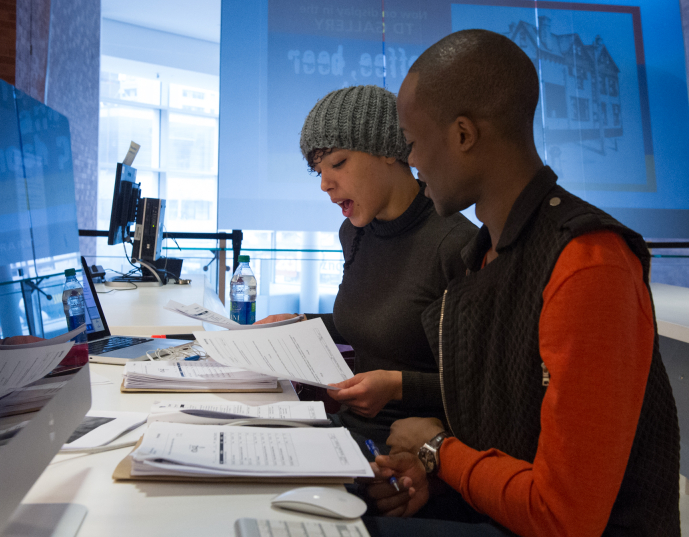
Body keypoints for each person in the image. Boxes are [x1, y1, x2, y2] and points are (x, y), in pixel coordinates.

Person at [362, 29, 680, 536]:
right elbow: (510, 440)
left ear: (463, 135)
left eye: (414, 144)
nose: (414, 163)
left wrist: (438, 451)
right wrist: (434, 478)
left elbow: (564, 517)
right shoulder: (487, 254)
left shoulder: (588, 264)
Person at [258, 85, 477, 451]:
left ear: (390, 152)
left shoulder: (454, 243)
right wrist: (297, 323)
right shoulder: (355, 232)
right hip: (349, 431)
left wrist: (397, 386)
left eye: (338, 163)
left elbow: (480, 384)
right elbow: (373, 320)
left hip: (410, 451)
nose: (326, 184)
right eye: (318, 171)